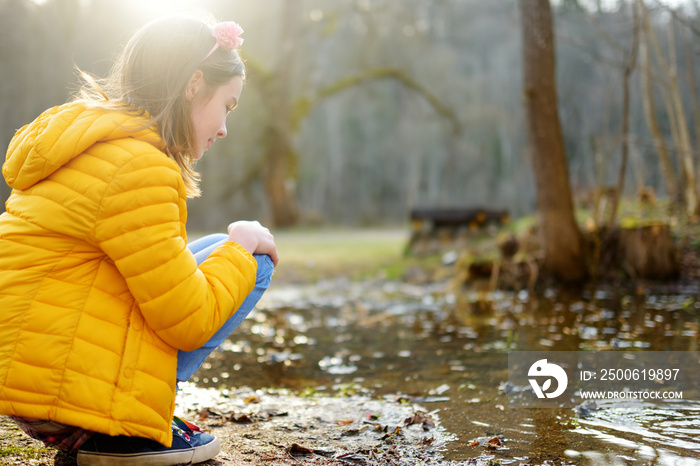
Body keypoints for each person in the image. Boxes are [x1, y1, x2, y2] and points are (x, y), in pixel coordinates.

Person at [0, 14, 278, 466]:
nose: (225, 127)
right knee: (253, 261)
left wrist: (228, 249)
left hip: (27, 371)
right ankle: (119, 429)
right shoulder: (138, 166)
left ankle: (116, 417)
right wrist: (243, 247)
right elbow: (188, 320)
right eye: (227, 106)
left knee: (209, 250)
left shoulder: (91, 143)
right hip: (61, 389)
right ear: (193, 84)